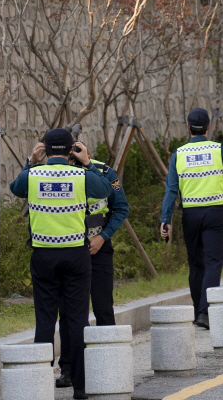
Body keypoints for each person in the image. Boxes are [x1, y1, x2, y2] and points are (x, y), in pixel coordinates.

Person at [10, 128, 112, 400]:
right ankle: (80, 386)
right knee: (78, 320)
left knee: (45, 320)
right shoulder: (82, 176)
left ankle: (40, 385)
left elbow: (15, 187)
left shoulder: (32, 175)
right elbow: (105, 191)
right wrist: (88, 162)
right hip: (76, 256)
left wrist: (30, 161)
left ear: (44, 149)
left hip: (43, 255)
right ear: (70, 150)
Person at [160, 108, 223, 330]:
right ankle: (204, 312)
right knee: (213, 263)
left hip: (190, 215)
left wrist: (166, 219)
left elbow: (171, 191)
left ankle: (198, 311)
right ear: (209, 127)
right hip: (215, 214)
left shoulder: (178, 155)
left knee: (196, 265)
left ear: (187, 127)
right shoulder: (219, 150)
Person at [56, 145, 130, 389]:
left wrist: (104, 236)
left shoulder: (104, 172)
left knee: (102, 306)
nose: (73, 158)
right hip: (68, 250)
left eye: (76, 153)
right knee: (68, 312)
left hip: (99, 248)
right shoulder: (57, 172)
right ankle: (68, 368)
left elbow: (121, 208)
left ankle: (109, 361)